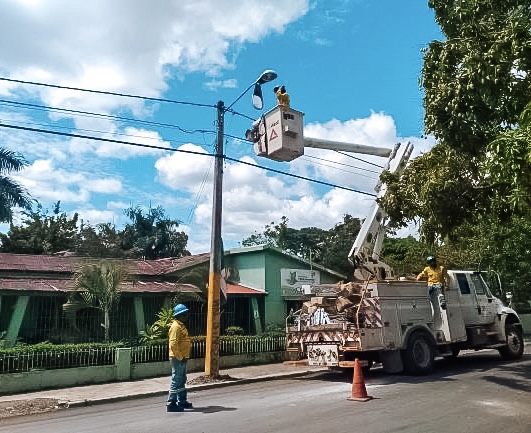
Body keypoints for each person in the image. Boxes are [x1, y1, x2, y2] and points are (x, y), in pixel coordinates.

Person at [167, 303, 192, 412]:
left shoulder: (180, 325)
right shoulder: (176, 327)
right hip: (178, 358)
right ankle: (171, 403)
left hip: (182, 357)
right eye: (185, 314)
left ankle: (182, 400)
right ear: (180, 315)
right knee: (176, 380)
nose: (187, 316)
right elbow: (173, 344)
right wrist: (180, 357)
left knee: (181, 380)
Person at [416, 256, 448, 328]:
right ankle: (427, 303)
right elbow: (422, 274)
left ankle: (442, 301)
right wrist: (418, 278)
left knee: (439, 289)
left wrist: (447, 285)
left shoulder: (441, 268)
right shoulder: (427, 269)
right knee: (427, 293)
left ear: (435, 261)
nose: (432, 263)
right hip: (430, 285)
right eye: (430, 262)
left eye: (433, 261)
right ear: (429, 263)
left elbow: (446, 277)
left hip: (438, 284)